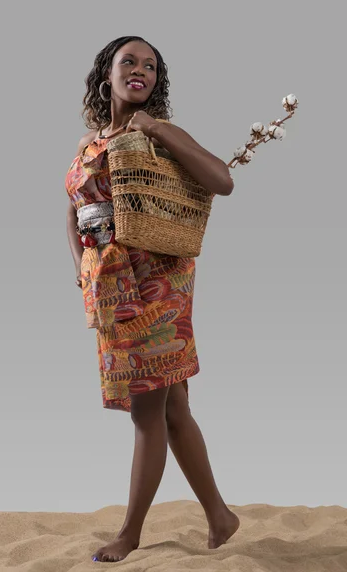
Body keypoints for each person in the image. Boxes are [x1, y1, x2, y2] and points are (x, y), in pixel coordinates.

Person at [65, 35, 240, 563]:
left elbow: (222, 181)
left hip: (158, 282)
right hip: (112, 285)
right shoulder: (88, 144)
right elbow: (73, 214)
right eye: (129, 61)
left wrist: (159, 129)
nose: (140, 70)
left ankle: (130, 533)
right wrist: (85, 275)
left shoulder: (159, 132)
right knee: (174, 404)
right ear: (107, 75)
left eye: (150, 66)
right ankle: (220, 516)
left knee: (147, 408)